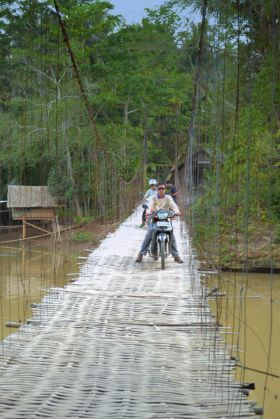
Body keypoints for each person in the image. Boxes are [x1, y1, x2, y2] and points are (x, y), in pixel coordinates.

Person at [136, 182, 183, 263]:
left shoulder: (168, 198)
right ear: (157, 190)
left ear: (165, 190)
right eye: (159, 188)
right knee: (148, 235)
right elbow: (149, 205)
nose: (161, 190)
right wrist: (148, 213)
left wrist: (177, 212)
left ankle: (176, 256)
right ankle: (141, 254)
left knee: (172, 235)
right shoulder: (153, 198)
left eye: (162, 188)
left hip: (166, 219)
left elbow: (173, 205)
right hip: (155, 218)